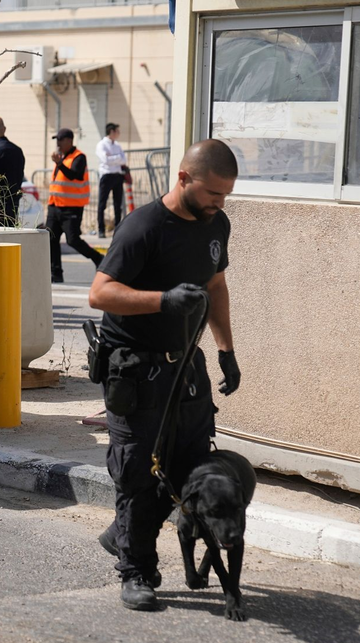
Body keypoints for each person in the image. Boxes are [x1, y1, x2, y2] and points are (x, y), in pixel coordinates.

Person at [88, 139, 242, 611]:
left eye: (226, 195)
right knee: (137, 472)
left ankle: (123, 533)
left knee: (188, 468)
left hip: (185, 365)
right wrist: (161, 300)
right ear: (184, 179)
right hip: (134, 367)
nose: (220, 204)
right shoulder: (144, 227)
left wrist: (226, 350)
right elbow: (99, 293)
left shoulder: (217, 224)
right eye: (214, 193)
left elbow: (216, 283)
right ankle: (135, 571)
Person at [47, 128, 105, 283]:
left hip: (71, 207)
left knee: (73, 240)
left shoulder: (79, 157)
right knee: (50, 239)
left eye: (60, 139)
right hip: (55, 206)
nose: (58, 143)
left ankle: (98, 258)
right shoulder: (63, 157)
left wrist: (59, 164)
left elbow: (75, 175)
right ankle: (56, 273)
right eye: (56, 140)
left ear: (69, 141)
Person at [96, 123, 129, 238]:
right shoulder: (102, 145)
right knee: (102, 203)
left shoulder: (117, 145)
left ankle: (117, 229)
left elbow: (124, 160)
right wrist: (117, 158)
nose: (118, 134)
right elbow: (105, 160)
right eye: (117, 131)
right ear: (111, 132)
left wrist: (113, 158)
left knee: (117, 204)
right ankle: (101, 229)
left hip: (117, 176)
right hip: (106, 176)